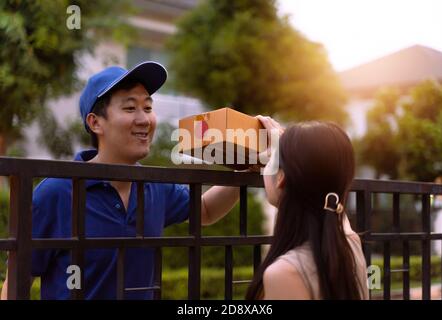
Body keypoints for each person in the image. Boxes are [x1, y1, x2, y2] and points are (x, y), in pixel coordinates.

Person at [1, 61, 241, 300]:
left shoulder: (157, 186)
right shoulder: (57, 192)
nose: (144, 119)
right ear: (95, 123)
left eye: (147, 108)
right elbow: (17, 281)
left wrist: (244, 170)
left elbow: (206, 211)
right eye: (130, 108)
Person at [246, 119, 369, 300]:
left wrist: (282, 146)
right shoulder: (349, 241)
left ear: (281, 177)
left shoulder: (284, 272)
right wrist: (286, 149)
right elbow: (328, 187)